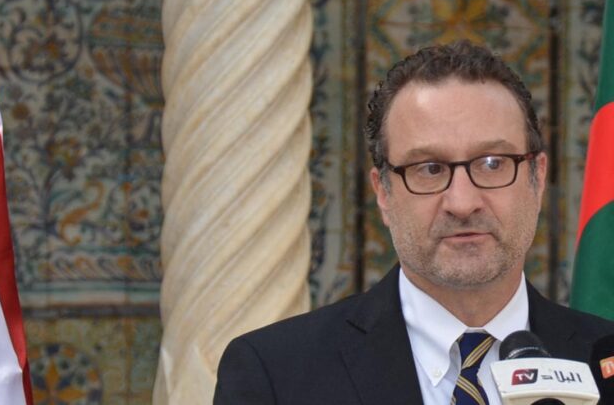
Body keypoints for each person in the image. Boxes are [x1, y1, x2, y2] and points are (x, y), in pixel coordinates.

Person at [213, 40, 614, 404]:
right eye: (429, 168)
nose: (462, 203)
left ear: (537, 179)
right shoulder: (275, 375)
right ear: (383, 193)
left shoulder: (605, 360)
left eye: (493, 163)